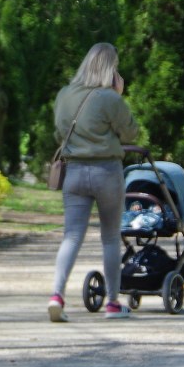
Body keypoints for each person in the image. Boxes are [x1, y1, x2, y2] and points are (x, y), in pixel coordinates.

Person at [46, 42, 140, 322]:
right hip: (106, 172)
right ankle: (112, 303)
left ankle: (56, 296)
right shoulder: (109, 98)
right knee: (110, 237)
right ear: (111, 69)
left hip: (74, 173)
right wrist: (119, 95)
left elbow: (58, 134)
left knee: (71, 235)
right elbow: (131, 133)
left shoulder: (64, 95)